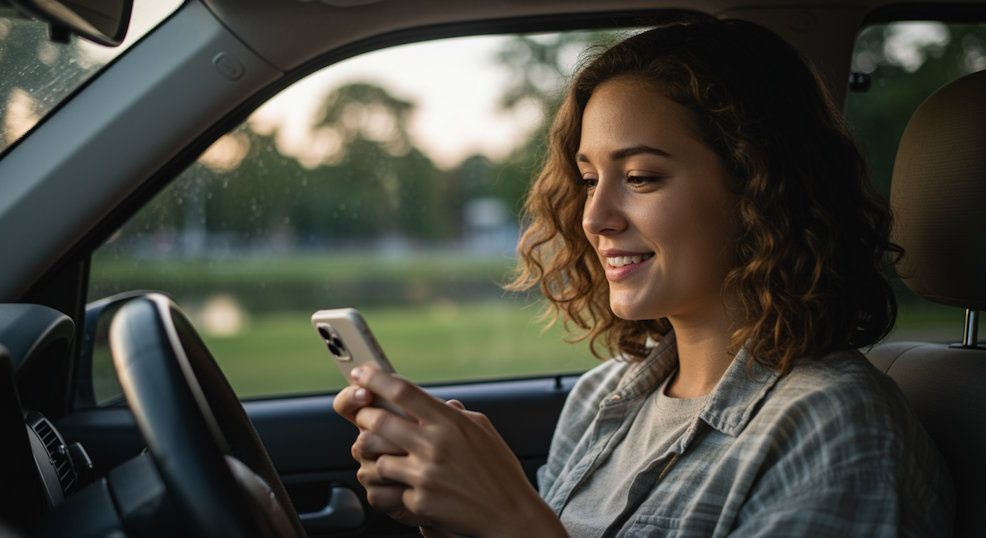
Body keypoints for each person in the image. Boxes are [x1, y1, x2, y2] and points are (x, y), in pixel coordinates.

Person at [333, 15, 955, 537]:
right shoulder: (603, 396)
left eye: (640, 178)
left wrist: (511, 519)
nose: (594, 217)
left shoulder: (835, 429)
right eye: (588, 179)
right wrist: (454, 515)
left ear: (760, 190)